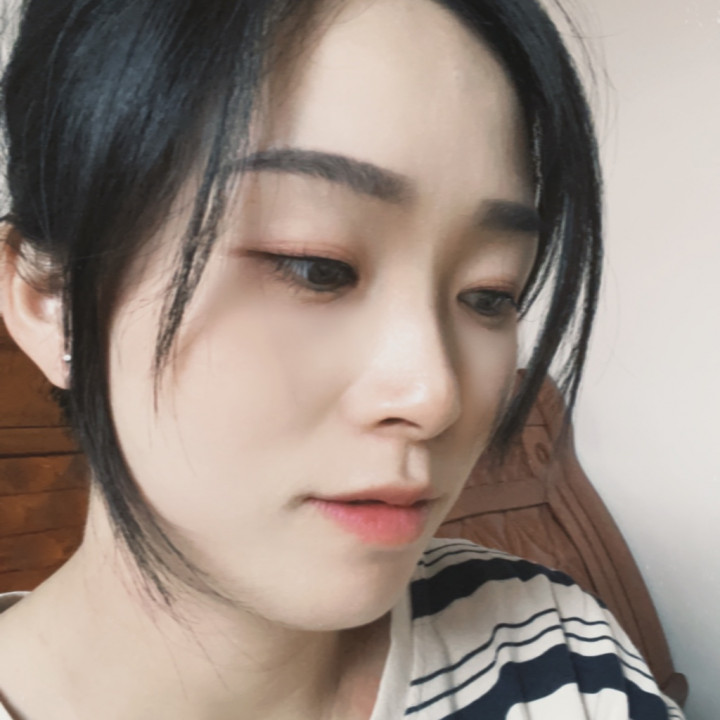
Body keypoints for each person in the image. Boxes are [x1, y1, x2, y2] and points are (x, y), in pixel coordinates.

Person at [0, 0, 685, 718]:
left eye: (489, 294)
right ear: (52, 301)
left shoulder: (552, 643)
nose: (436, 396)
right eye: (315, 267)